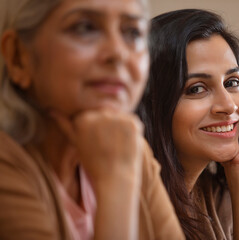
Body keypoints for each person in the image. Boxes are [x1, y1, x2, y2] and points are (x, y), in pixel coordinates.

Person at [0, 0, 184, 239]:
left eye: (132, 32)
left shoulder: (131, 151)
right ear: (18, 57)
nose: (118, 53)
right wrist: (117, 178)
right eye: (85, 28)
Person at [138, 9, 239, 239]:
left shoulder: (217, 194)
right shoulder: (134, 206)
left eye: (232, 82)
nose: (229, 106)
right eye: (196, 88)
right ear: (151, 104)